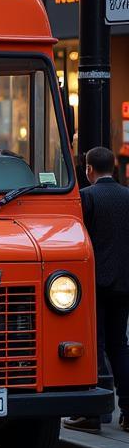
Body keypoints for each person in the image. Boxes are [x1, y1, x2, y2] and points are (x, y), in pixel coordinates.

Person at [65, 146, 129, 433]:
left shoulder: (86, 197)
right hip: (124, 282)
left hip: (95, 282)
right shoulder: (127, 196)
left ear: (88, 169)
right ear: (114, 168)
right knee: (120, 346)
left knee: (96, 345)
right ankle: (128, 410)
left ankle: (95, 413)